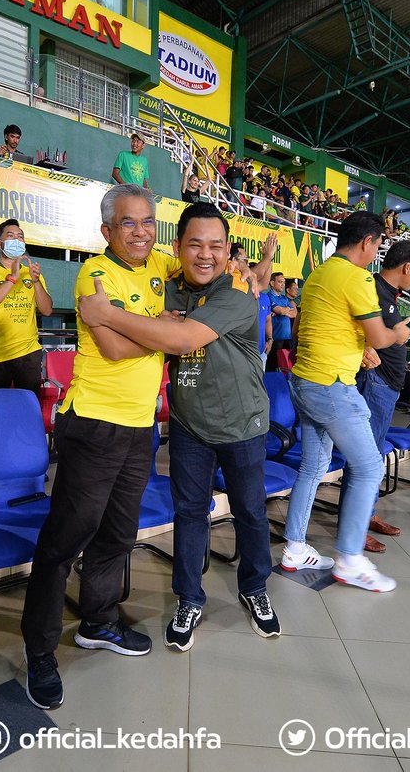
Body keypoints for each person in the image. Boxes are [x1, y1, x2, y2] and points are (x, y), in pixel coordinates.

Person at [76, 202, 278, 651]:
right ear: (178, 248)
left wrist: (107, 314)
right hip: (189, 426)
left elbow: (180, 339)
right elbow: (143, 324)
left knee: (249, 512)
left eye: (216, 246)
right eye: (195, 245)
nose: (205, 255)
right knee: (189, 515)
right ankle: (190, 598)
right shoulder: (167, 288)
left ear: (228, 252)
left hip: (243, 425)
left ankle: (255, 588)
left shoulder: (238, 296)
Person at [20, 183, 178, 711]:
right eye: (129, 223)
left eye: (149, 222)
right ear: (107, 230)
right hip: (93, 426)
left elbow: (205, 271)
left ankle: (99, 622)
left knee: (117, 534)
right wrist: (164, 331)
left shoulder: (160, 263)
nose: (141, 232)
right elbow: (110, 347)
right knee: (64, 541)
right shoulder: (95, 273)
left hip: (140, 428)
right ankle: (39, 653)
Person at [280, 211, 410, 590]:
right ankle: (351, 559)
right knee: (370, 467)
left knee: (314, 465)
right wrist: (397, 334)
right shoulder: (356, 277)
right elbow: (382, 338)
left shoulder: (320, 273)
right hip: (333, 384)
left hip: (305, 379)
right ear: (368, 242)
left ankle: (294, 547)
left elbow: (312, 326)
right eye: (377, 247)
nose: (376, 254)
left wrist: (361, 344)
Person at [356, 239, 410, 552]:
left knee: (373, 456)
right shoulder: (371, 288)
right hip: (376, 383)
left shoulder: (389, 295)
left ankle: (367, 513)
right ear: (407, 267)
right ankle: (355, 526)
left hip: (388, 385)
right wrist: (369, 348)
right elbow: (358, 329)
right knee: (366, 459)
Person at [0, 218, 53, 390]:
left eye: (20, 236)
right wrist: (12, 278)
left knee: (28, 407)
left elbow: (46, 310)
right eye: (11, 236)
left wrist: (36, 281)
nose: (17, 240)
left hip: (29, 353)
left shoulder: (32, 273)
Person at [264, 272, 296, 370]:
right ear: (272, 283)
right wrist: (284, 310)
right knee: (274, 368)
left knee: (287, 368)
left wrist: (282, 310)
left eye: (284, 282)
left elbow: (294, 313)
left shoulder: (283, 298)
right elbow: (280, 311)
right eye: (280, 282)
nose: (282, 284)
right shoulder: (269, 296)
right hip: (276, 339)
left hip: (287, 339)